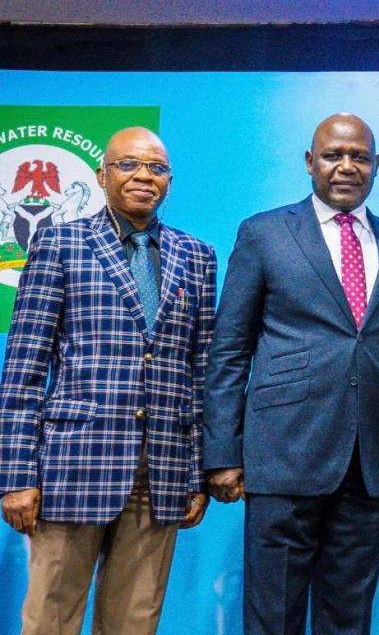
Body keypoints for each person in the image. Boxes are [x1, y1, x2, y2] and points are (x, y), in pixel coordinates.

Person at [203, 113, 379, 635]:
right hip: (282, 455)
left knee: (349, 618)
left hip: (370, 461)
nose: (347, 167)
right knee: (273, 617)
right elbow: (230, 352)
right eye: (333, 155)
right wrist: (222, 452)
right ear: (310, 161)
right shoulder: (264, 233)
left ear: (376, 165)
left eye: (360, 157)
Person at [0, 127, 217, 634]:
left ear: (169, 181)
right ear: (102, 175)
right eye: (129, 164)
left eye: (157, 168)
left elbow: (201, 371)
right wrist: (17, 477)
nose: (144, 176)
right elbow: (25, 367)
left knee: (135, 622)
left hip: (160, 472)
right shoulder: (60, 243)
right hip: (72, 467)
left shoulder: (197, 256)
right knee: (49, 618)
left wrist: (197, 474)